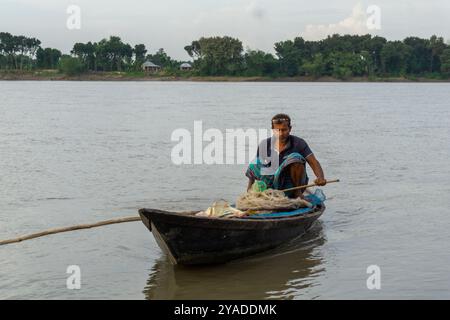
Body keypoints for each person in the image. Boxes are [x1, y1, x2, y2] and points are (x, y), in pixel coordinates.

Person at [246, 113, 326, 198]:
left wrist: (320, 177)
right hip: (271, 187)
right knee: (255, 162)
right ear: (272, 129)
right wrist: (249, 191)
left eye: (284, 130)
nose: (280, 134)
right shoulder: (264, 144)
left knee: (295, 157)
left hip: (291, 186)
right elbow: (256, 169)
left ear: (290, 129)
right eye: (277, 130)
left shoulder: (299, 143)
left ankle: (297, 193)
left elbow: (313, 162)